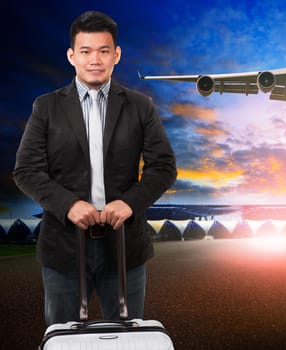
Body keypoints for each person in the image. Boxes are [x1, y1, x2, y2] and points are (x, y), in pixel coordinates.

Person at [13, 11, 177, 326]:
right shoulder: (46, 107)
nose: (95, 60)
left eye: (103, 51)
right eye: (86, 51)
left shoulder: (140, 106)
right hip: (63, 248)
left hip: (125, 248)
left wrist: (129, 203)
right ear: (71, 56)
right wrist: (68, 204)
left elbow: (164, 166)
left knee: (128, 340)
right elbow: (26, 170)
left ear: (116, 55)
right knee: (64, 338)